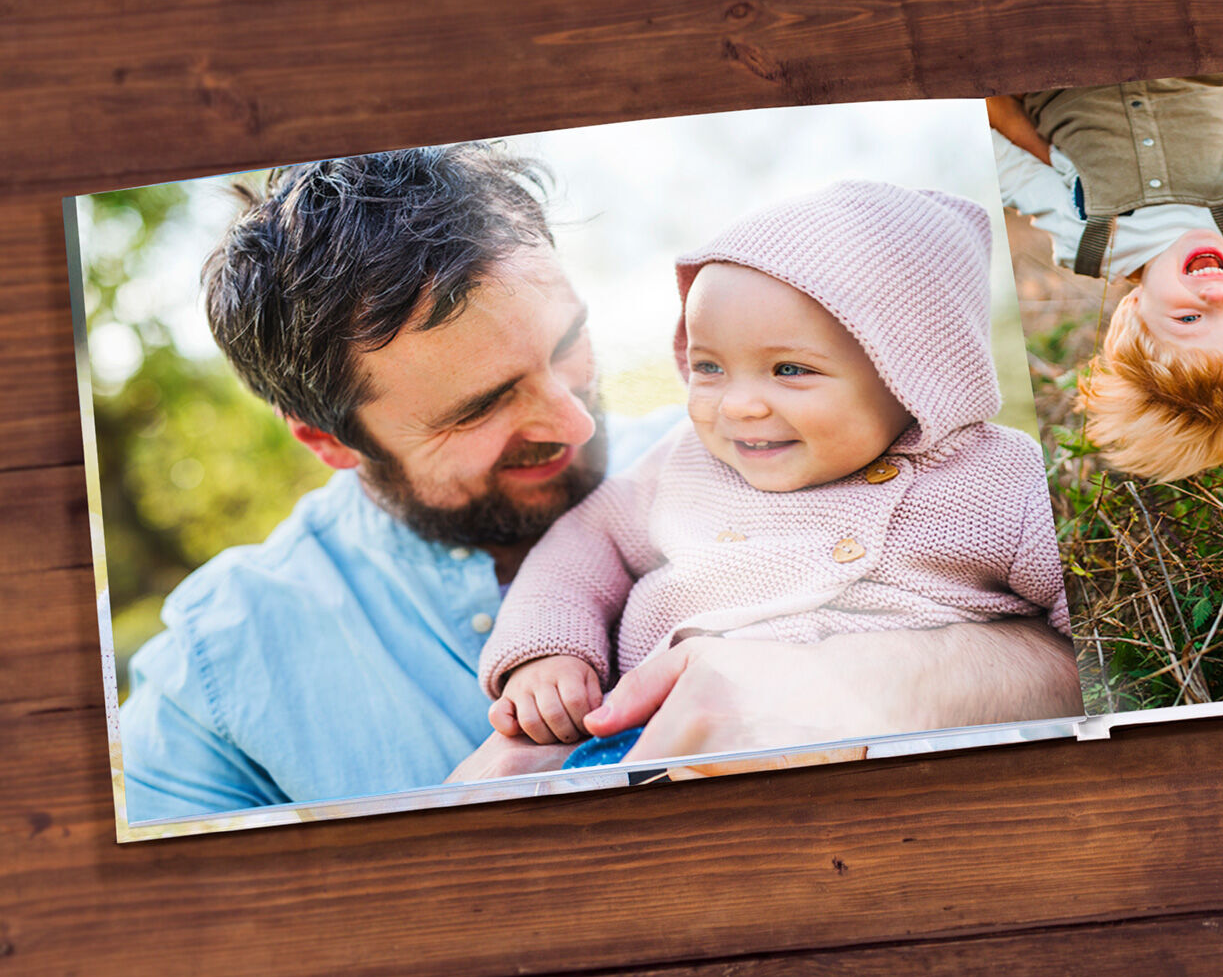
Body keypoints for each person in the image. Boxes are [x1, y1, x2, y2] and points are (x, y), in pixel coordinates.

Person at [119, 145, 1083, 824]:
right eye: (481, 406)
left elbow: (1113, 648)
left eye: (569, 349)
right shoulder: (210, 681)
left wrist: (877, 683)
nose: (579, 423)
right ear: (329, 441)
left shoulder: (742, 455)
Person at [479, 182, 1070, 761]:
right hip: (637, 739)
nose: (738, 405)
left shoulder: (996, 480)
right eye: (709, 366)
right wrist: (549, 651)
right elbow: (585, 546)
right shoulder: (686, 462)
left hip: (887, 740)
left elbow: (1097, 621)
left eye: (789, 369)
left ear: (913, 375)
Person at [989, 76, 1223, 480]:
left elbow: (1010, 163)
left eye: (1190, 320)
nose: (1217, 297)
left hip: (1061, 69)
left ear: (1135, 312)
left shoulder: (1090, 243)